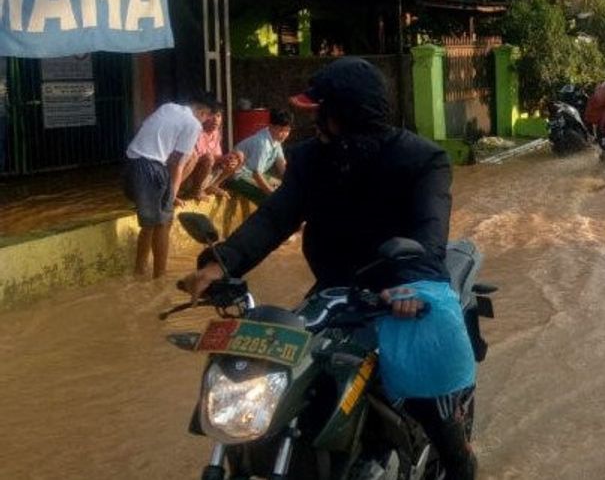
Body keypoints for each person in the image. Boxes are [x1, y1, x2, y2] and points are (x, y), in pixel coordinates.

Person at [181, 57, 477, 479]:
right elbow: (274, 218)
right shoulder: (309, 160)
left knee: (430, 403)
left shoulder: (422, 160)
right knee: (286, 383)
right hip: (333, 295)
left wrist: (409, 285)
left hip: (401, 292)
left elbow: (430, 236)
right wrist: (219, 263)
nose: (315, 122)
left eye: (322, 112)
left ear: (348, 115)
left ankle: (460, 461)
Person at [123, 95, 217, 278]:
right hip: (150, 167)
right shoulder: (194, 124)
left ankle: (139, 272)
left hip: (132, 164)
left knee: (150, 225)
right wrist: (172, 194)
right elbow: (178, 164)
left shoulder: (168, 107)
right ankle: (160, 277)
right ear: (203, 112)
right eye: (207, 118)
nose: (205, 122)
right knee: (163, 223)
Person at [227, 108, 293, 205]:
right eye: (281, 130)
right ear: (271, 126)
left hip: (251, 175)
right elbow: (256, 174)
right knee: (273, 198)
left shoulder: (276, 139)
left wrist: (292, 185)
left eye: (287, 130)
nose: (284, 134)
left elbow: (282, 165)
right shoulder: (263, 143)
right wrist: (271, 193)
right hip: (237, 177)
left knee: (285, 191)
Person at [179, 108, 244, 200]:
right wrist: (222, 158)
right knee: (208, 158)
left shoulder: (216, 133)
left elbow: (218, 158)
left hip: (207, 175)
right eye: (212, 115)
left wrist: (230, 159)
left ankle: (213, 185)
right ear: (204, 116)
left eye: (218, 116)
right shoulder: (196, 131)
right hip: (189, 178)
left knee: (239, 155)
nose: (216, 119)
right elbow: (196, 160)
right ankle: (195, 191)